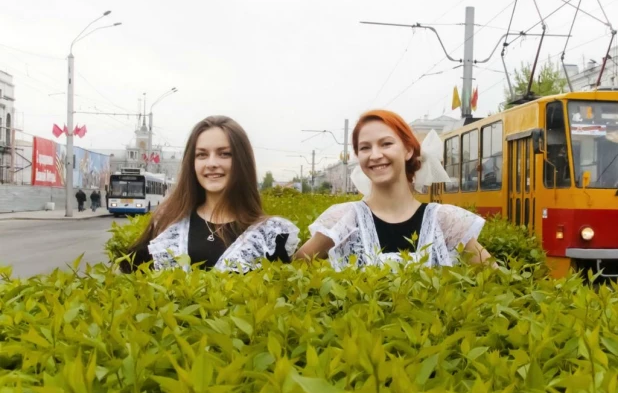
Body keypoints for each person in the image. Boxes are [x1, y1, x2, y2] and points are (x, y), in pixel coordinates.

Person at [295, 110, 493, 269]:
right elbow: (294, 270)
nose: (375, 155)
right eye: (364, 148)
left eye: (386, 144)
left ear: (408, 150)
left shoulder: (446, 221)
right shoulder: (343, 218)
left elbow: (496, 280)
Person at [123, 116, 299, 272]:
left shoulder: (271, 235)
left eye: (224, 154)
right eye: (202, 155)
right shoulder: (169, 222)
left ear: (242, 161)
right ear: (192, 163)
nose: (212, 163)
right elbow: (128, 277)